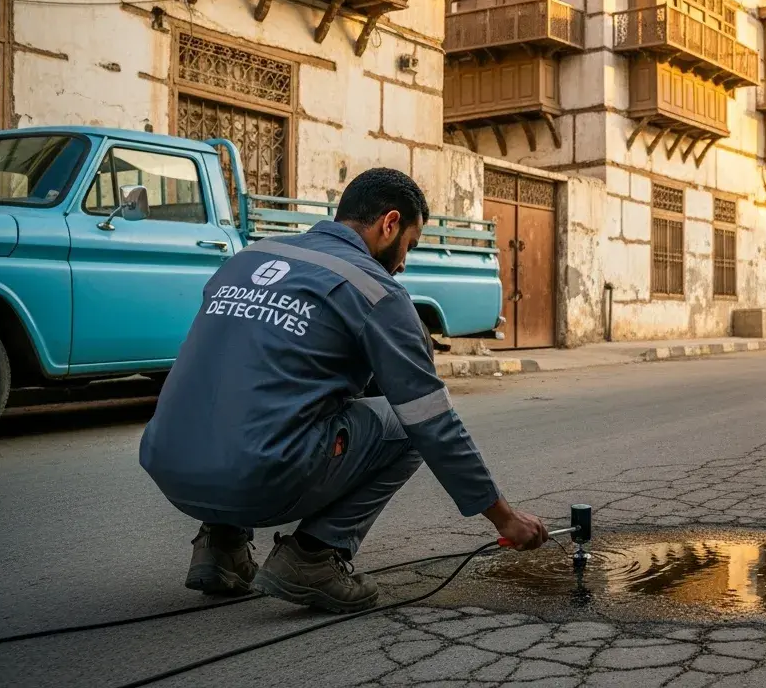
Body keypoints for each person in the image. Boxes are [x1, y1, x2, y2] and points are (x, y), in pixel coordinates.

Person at [140, 168, 547, 614]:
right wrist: (505, 518)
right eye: (409, 245)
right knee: (407, 428)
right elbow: (433, 423)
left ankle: (220, 547)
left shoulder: (248, 259)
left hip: (170, 463)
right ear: (389, 223)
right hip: (257, 477)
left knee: (250, 392)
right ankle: (313, 557)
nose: (404, 262)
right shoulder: (377, 291)